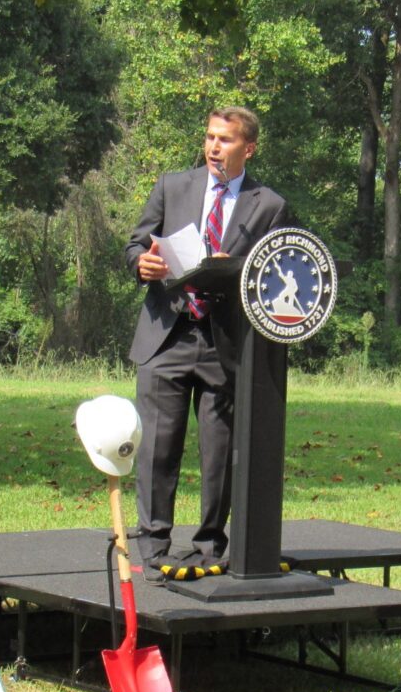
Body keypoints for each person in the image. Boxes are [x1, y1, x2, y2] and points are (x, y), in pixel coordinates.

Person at [124, 106, 292, 577]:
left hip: (226, 340)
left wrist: (229, 268)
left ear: (249, 148)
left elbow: (274, 274)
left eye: (226, 140)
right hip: (168, 335)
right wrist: (144, 264)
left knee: (220, 453)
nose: (214, 147)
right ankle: (153, 548)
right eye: (210, 138)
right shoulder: (172, 186)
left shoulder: (269, 205)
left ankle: (209, 547)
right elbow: (136, 246)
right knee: (158, 447)